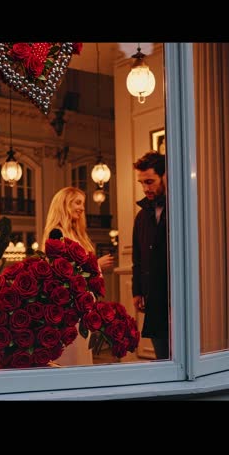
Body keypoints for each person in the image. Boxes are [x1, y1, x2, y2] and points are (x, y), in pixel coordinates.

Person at [41, 186, 114, 366]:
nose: (82, 208)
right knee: (70, 356)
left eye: (83, 203)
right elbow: (61, 272)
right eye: (77, 203)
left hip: (83, 306)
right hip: (67, 308)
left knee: (82, 356)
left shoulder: (78, 234)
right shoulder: (56, 234)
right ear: (64, 204)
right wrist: (98, 264)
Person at [132, 150, 169, 360]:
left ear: (164, 177)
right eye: (142, 183)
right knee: (162, 357)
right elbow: (137, 257)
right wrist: (137, 291)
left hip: (175, 295)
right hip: (153, 297)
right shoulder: (141, 216)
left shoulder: (178, 208)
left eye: (150, 181)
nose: (146, 188)